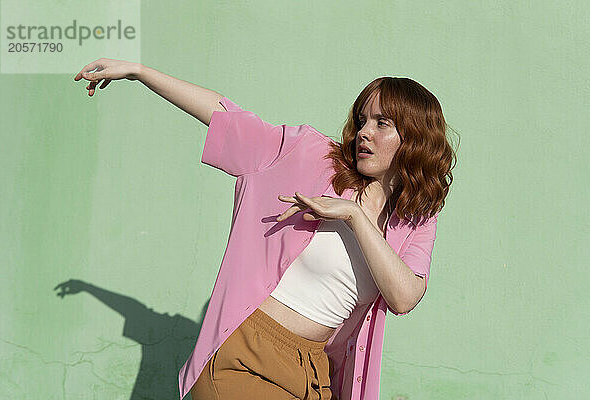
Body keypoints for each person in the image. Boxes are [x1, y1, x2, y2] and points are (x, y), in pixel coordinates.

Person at [74, 58, 456, 400]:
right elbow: (227, 116)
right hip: (247, 355)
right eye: (361, 121)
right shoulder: (313, 156)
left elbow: (404, 296)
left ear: (416, 138)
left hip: (314, 374)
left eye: (381, 123)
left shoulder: (416, 219)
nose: (363, 133)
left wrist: (355, 217)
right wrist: (141, 72)